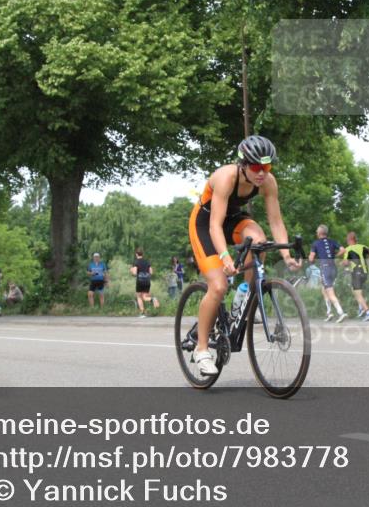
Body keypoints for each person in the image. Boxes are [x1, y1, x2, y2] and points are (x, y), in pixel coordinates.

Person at [187, 135, 300, 375]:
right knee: (217, 286)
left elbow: (276, 221)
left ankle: (245, 296)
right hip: (206, 223)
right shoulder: (226, 177)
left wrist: (286, 255)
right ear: (243, 164)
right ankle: (202, 349)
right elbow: (214, 226)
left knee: (260, 241)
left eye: (267, 167)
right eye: (257, 167)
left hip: (234, 220)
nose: (262, 173)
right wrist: (225, 257)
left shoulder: (268, 182)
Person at [310, 225, 346, 322]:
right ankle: (329, 312)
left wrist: (311, 259)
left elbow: (311, 258)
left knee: (330, 292)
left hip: (325, 268)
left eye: (317, 231)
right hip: (333, 268)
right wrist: (335, 256)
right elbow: (343, 250)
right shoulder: (332, 241)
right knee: (324, 289)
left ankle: (341, 313)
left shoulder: (316, 243)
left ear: (319, 233)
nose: (316, 233)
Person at [340, 231, 369, 321]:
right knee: (355, 290)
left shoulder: (348, 249)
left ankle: (368, 312)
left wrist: (341, 263)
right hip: (365, 272)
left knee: (358, 294)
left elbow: (345, 262)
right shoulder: (363, 246)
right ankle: (361, 307)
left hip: (356, 272)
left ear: (350, 240)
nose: (347, 242)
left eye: (347, 240)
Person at [131, 248, 160, 317]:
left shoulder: (136, 262)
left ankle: (142, 313)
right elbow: (151, 272)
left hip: (140, 281)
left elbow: (135, 273)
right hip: (147, 281)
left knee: (139, 296)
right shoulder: (147, 262)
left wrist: (131, 270)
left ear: (136, 254)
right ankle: (152, 299)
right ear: (142, 254)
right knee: (144, 297)